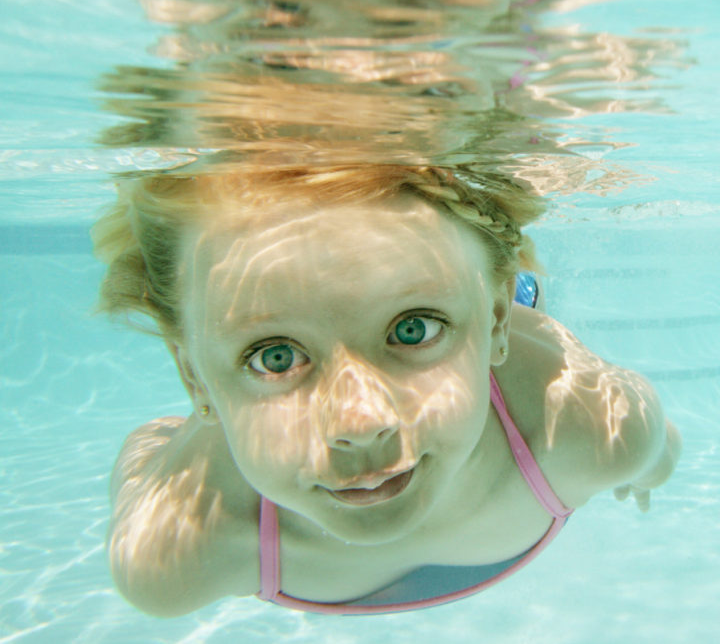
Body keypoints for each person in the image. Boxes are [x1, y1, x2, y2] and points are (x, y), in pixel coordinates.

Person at [93, 164, 681, 616]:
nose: (360, 420)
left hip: (509, 341)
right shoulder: (174, 554)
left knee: (513, 283)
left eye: (412, 329)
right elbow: (147, 445)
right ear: (191, 376)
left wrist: (646, 467)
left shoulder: (594, 429)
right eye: (274, 357)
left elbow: (654, 445)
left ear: (496, 324)